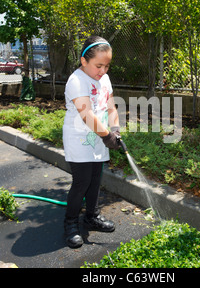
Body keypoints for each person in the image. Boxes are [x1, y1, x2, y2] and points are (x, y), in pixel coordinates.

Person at [62, 36, 121, 248]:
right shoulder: (77, 80)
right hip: (79, 139)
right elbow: (86, 113)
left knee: (96, 180)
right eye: (99, 65)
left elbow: (111, 106)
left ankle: (91, 217)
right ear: (84, 61)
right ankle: (70, 223)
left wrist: (115, 130)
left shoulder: (104, 79)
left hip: (98, 137)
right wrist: (107, 136)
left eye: (106, 66)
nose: (103, 70)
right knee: (82, 183)